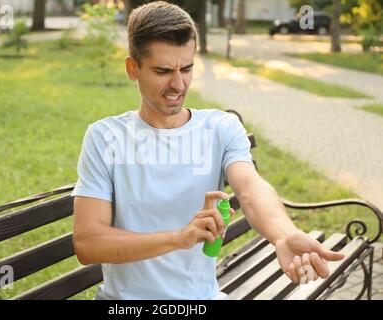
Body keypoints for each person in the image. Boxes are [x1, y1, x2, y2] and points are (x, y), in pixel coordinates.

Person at [71, 1, 345, 300]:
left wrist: (282, 235)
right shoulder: (105, 137)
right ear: (132, 68)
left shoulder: (220, 127)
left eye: (187, 68)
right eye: (163, 70)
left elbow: (250, 188)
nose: (178, 83)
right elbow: (88, 243)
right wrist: (178, 239)